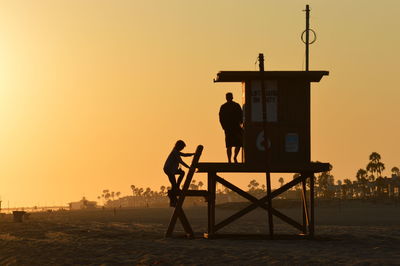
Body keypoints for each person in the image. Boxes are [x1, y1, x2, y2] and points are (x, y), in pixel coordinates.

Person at [163, 140, 195, 206]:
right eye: (182, 147)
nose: (182, 148)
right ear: (179, 146)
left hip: (172, 170)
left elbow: (184, 155)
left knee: (182, 173)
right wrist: (188, 167)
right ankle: (173, 200)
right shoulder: (175, 152)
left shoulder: (176, 151)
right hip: (169, 170)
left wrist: (193, 154)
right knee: (174, 185)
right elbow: (181, 161)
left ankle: (177, 188)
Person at [219, 92, 243, 163]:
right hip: (231, 128)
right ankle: (231, 159)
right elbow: (221, 118)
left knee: (236, 144)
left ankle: (233, 158)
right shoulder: (226, 106)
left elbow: (221, 118)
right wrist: (224, 126)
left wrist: (224, 126)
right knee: (231, 145)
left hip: (234, 128)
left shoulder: (233, 106)